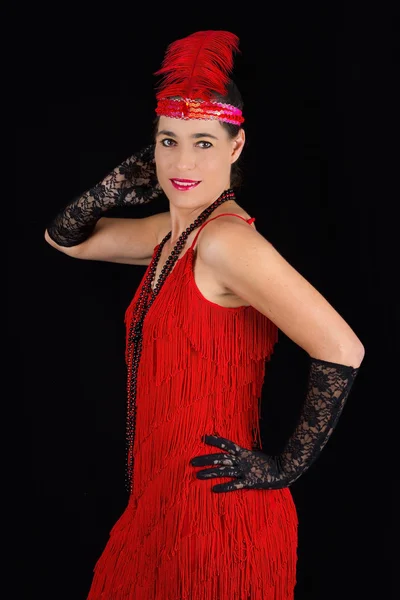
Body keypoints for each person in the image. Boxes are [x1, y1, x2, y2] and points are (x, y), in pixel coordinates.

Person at [44, 30, 365, 600]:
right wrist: (118, 184)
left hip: (216, 519)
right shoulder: (177, 233)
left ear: (236, 147)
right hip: (159, 506)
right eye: (168, 142)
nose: (183, 161)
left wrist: (282, 467)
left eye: (204, 142)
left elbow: (342, 348)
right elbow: (67, 240)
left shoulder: (225, 243)